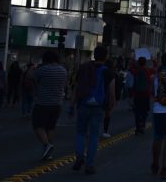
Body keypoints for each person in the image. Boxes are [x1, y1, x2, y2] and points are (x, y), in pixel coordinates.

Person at [72, 46, 116, 175]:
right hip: (98, 106)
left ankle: (80, 155)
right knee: (94, 135)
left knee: (80, 132)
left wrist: (71, 105)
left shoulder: (83, 68)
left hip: (83, 104)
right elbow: (112, 92)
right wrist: (111, 106)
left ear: (94, 55)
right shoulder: (108, 72)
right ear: (106, 56)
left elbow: (76, 88)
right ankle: (89, 164)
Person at [31, 51, 68, 160]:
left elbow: (33, 79)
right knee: (50, 127)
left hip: (42, 102)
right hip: (57, 103)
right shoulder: (63, 70)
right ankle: (48, 151)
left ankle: (47, 145)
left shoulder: (42, 70)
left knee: (38, 125)